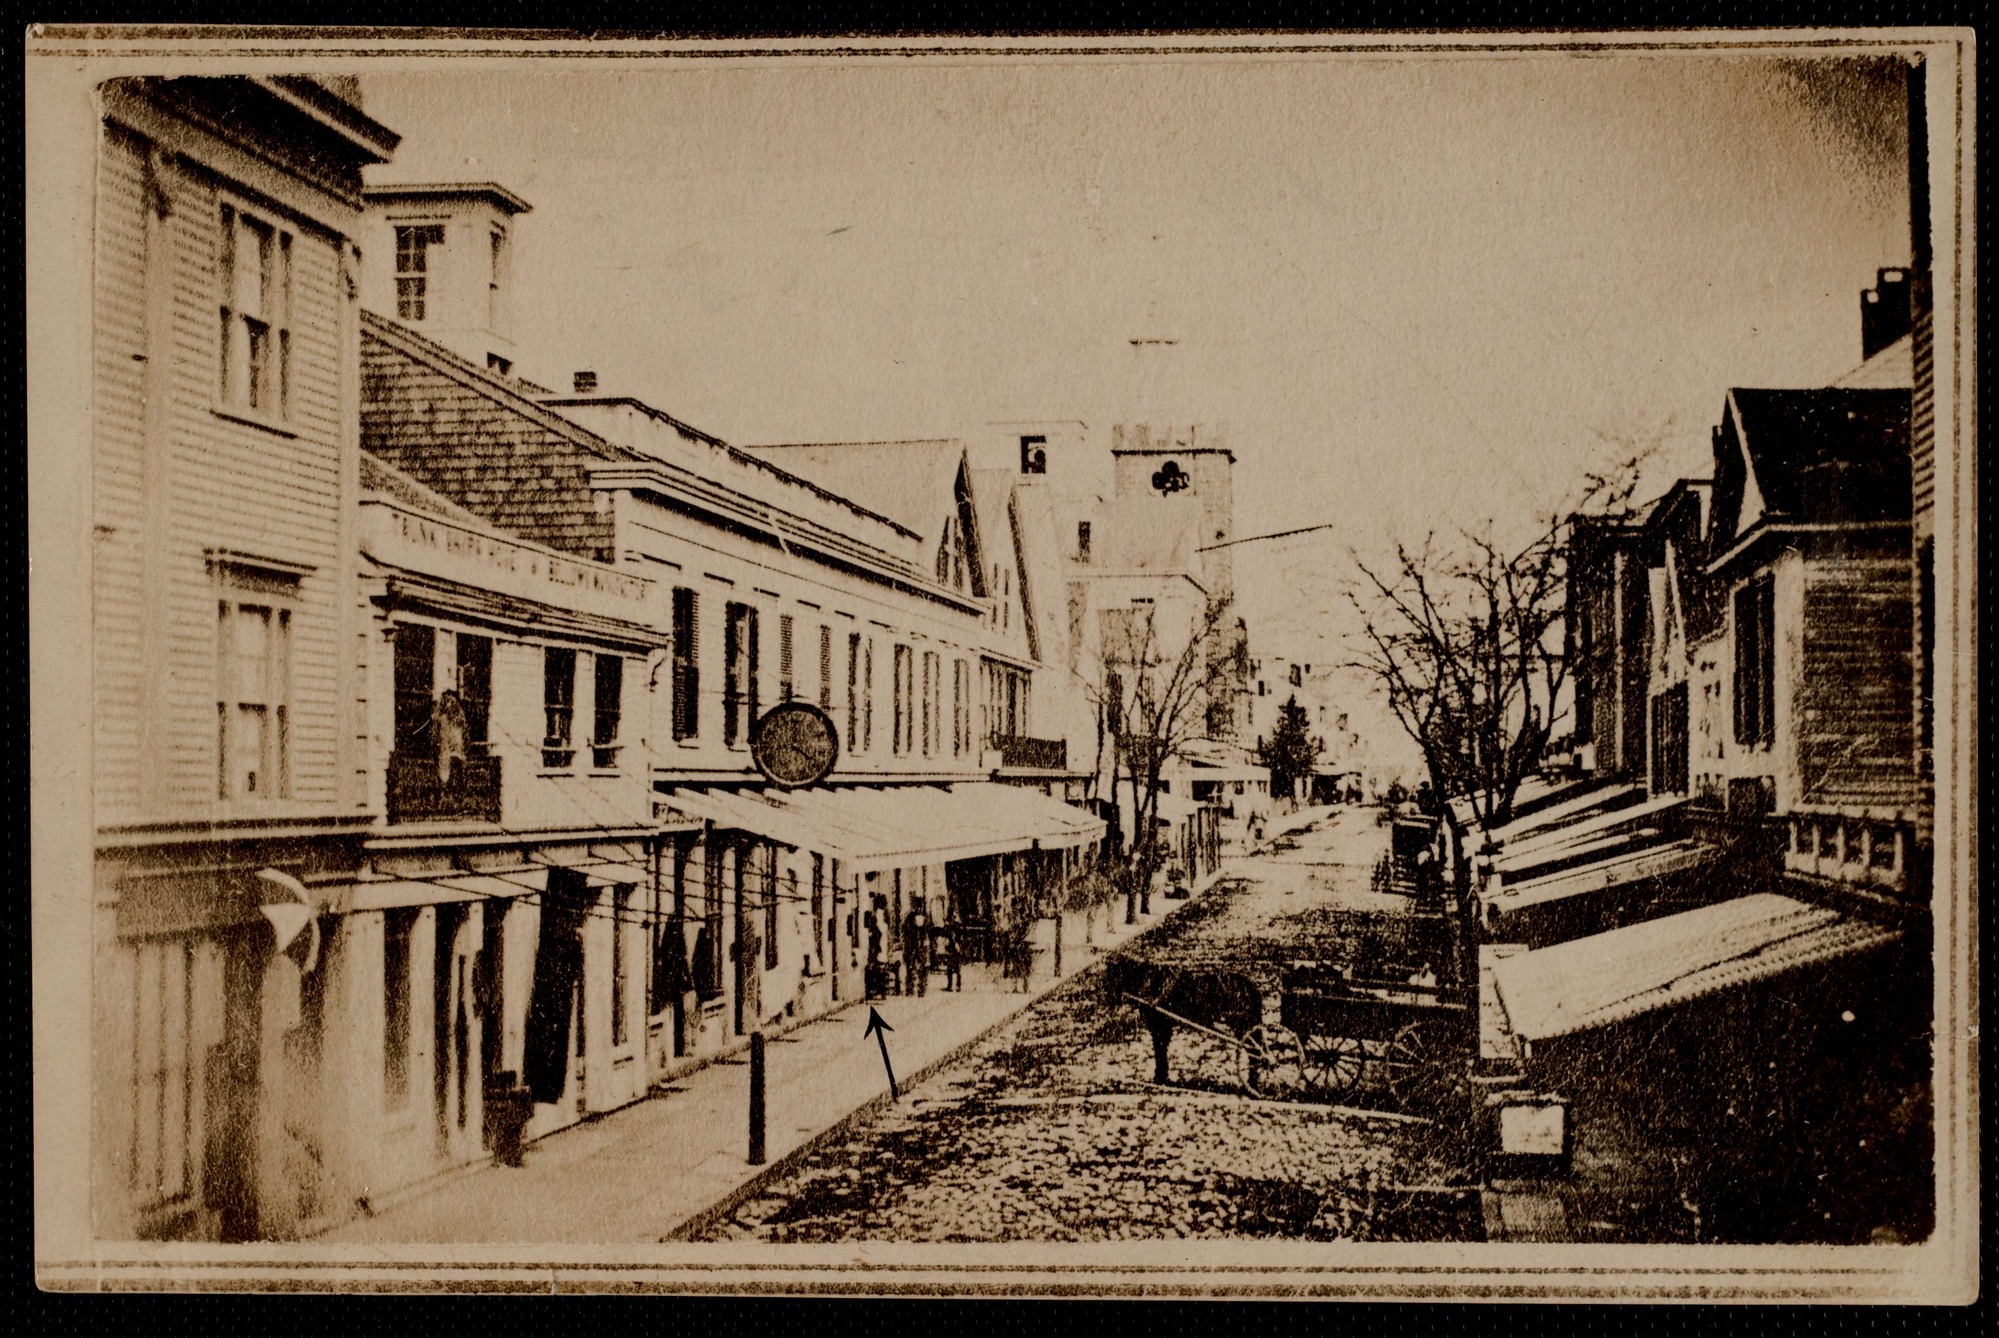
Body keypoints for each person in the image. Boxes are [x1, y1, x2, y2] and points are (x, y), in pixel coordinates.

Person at [903, 903, 931, 996]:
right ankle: (910, 988)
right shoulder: (909, 917)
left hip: (922, 947)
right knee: (910, 968)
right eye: (917, 906)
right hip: (912, 946)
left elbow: (928, 931)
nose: (918, 908)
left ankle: (921, 989)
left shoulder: (925, 917)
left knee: (923, 968)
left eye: (920, 906)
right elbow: (905, 931)